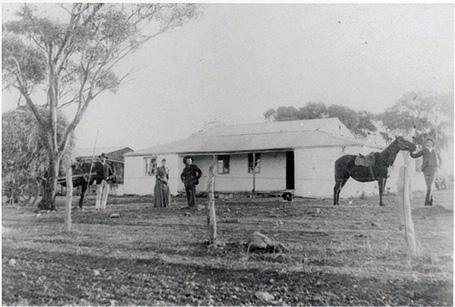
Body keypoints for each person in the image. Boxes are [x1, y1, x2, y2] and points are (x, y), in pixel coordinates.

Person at [410, 138, 441, 206]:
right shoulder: (424, 150)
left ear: (432, 143)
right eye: (428, 142)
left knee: (430, 186)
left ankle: (427, 202)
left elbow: (440, 159)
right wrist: (411, 152)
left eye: (430, 142)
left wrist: (437, 167)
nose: (429, 143)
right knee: (428, 186)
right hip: (426, 170)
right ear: (426, 143)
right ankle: (430, 200)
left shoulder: (435, 151)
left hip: (433, 169)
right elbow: (415, 156)